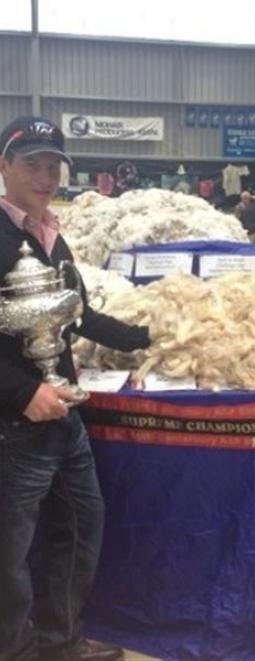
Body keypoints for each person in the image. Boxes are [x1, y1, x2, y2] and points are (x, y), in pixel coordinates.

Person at [0, 116, 151, 661]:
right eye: (31, 164)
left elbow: (79, 314)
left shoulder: (50, 234)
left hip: (65, 420)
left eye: (52, 166)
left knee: (81, 531)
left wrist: (149, 336)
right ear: (4, 167)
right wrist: (20, 393)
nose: (44, 176)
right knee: (8, 556)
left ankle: (60, 643)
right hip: (14, 428)